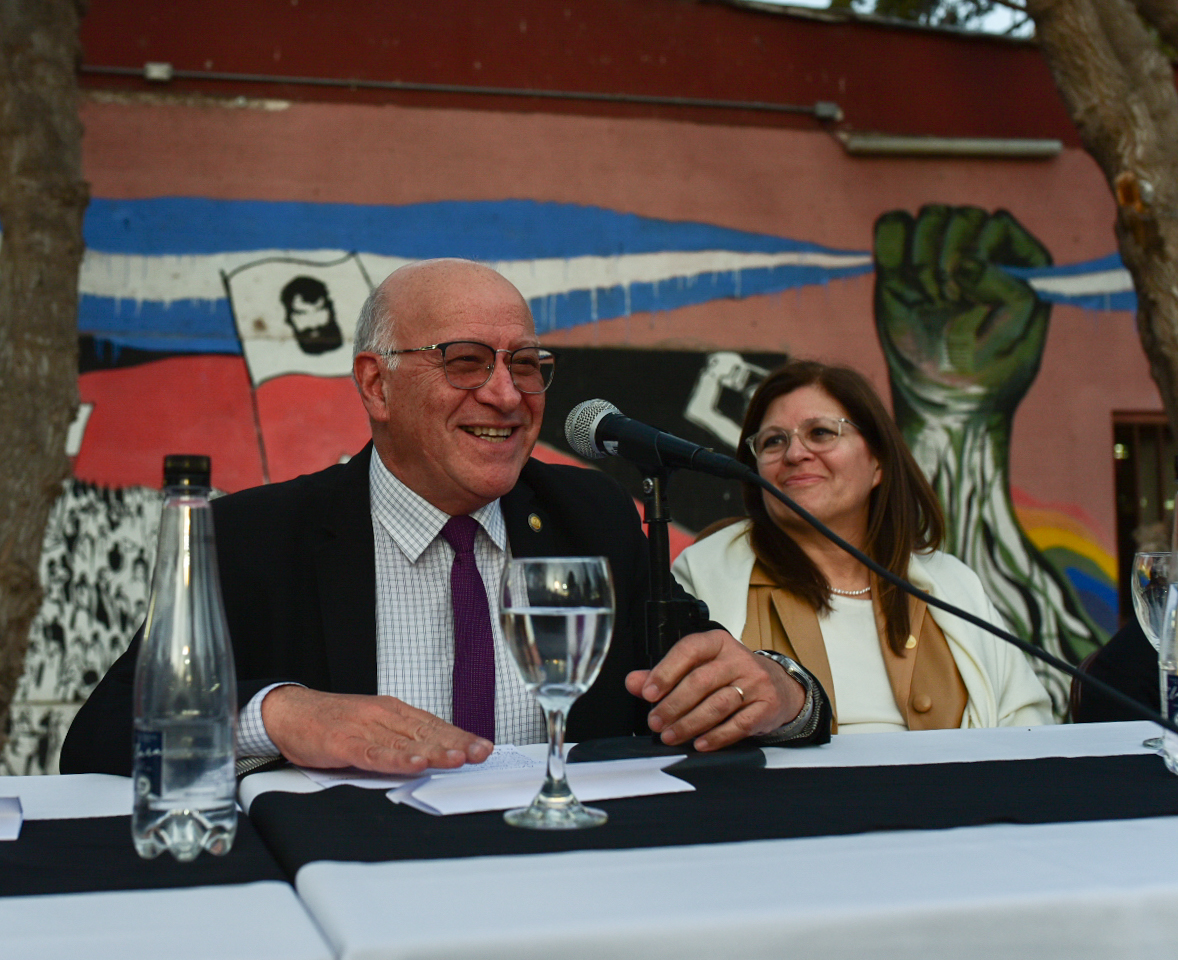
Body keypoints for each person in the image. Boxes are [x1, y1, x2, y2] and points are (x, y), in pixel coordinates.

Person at [60, 259, 829, 778]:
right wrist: (278, 714)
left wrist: (781, 694)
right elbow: (95, 743)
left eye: (526, 365)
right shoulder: (257, 537)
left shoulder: (591, 515)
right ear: (376, 385)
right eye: (466, 361)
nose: (505, 394)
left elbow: (709, 680)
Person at [672, 359, 1052, 733]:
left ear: (879, 461)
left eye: (820, 433)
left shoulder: (954, 585)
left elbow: (1027, 732)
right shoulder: (704, 573)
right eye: (773, 441)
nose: (794, 453)